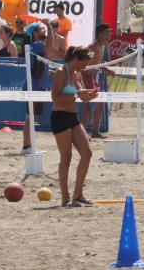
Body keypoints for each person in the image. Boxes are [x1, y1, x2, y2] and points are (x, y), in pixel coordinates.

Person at [52, 45, 98, 207]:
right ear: (75, 59)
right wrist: (78, 95)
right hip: (60, 117)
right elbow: (55, 97)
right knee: (66, 157)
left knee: (87, 153)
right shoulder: (61, 72)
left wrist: (89, 95)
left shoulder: (77, 74)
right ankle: (65, 197)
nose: (84, 67)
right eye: (83, 64)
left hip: (72, 116)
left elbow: (80, 96)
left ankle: (78, 194)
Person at [21, 21, 58, 154]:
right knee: (30, 117)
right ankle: (27, 147)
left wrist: (53, 72)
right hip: (34, 87)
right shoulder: (36, 45)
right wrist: (49, 26)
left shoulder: (35, 46)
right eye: (41, 30)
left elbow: (40, 67)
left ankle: (29, 146)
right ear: (34, 33)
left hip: (36, 85)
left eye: (44, 29)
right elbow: (50, 47)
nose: (44, 31)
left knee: (31, 117)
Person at [84, 23, 116, 139]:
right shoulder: (92, 47)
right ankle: (83, 133)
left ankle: (95, 131)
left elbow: (97, 63)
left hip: (93, 78)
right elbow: (84, 63)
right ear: (100, 34)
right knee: (88, 107)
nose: (110, 35)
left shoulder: (102, 47)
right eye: (108, 32)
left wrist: (107, 70)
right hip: (87, 78)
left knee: (100, 105)